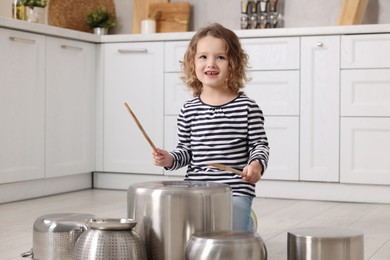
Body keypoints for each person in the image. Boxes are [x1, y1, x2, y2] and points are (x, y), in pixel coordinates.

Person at [152, 23, 269, 231]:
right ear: (192, 63)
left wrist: (256, 165)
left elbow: (259, 145)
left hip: (235, 189)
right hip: (196, 188)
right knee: (188, 231)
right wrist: (169, 159)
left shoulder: (247, 107)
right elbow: (186, 151)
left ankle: (246, 222)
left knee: (233, 234)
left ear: (233, 64)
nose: (211, 64)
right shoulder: (188, 110)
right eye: (203, 57)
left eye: (220, 57)